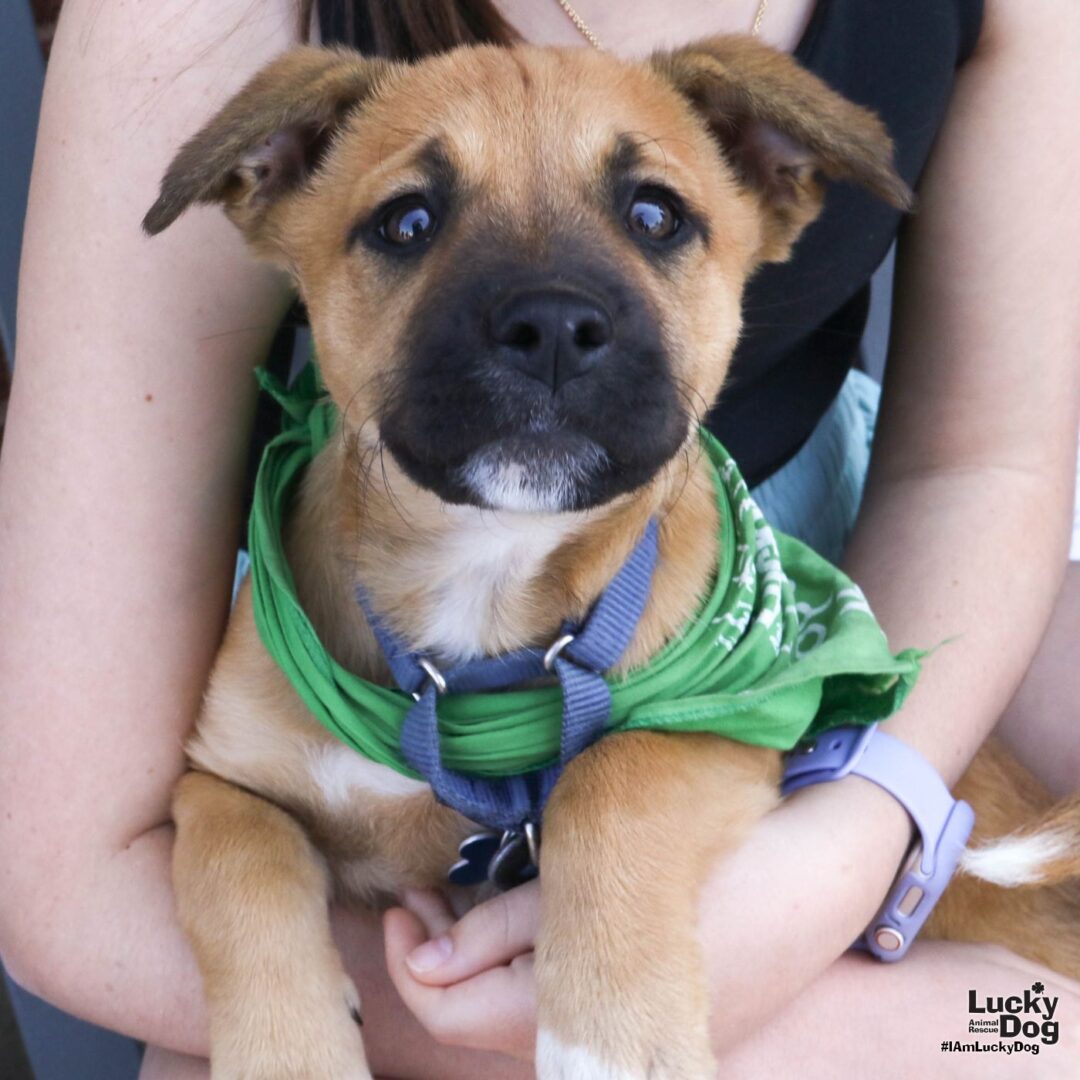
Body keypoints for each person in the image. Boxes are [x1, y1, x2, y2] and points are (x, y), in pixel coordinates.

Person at [0, 0, 1076, 1076]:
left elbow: (988, 463)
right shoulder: (191, 31)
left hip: (834, 575)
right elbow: (73, 888)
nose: (550, 322)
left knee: (1036, 1028)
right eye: (410, 223)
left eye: (653, 216)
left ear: (773, 182)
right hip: (379, 639)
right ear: (272, 184)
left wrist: (858, 854)